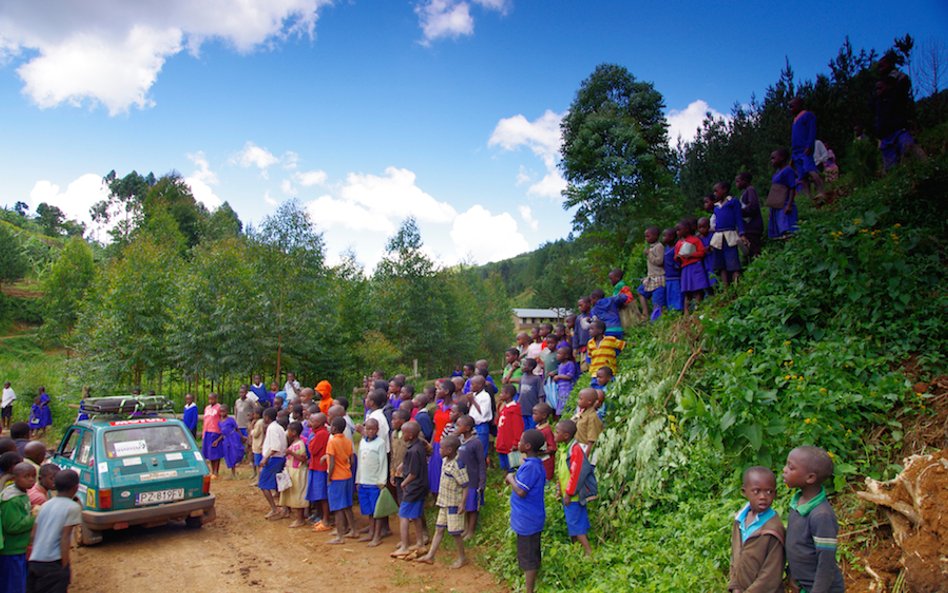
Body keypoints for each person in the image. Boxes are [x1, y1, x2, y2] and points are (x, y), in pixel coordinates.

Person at [783, 446, 844, 593]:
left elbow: (826, 563)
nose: (784, 470)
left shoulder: (821, 516)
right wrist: (792, 575)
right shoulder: (797, 503)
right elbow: (796, 545)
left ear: (810, 478)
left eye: (791, 468)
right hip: (805, 585)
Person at [729, 466, 785, 593]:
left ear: (775, 494)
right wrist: (735, 586)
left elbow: (771, 573)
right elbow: (735, 556)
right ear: (744, 492)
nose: (763, 496)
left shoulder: (773, 529)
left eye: (769, 492)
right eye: (756, 491)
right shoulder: (739, 521)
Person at [417, 435, 469, 568]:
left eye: (441, 448)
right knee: (439, 529)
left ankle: (462, 557)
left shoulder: (458, 466)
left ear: (450, 450)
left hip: (454, 504)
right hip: (444, 502)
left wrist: (463, 503)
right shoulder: (445, 460)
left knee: (455, 532)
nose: (439, 450)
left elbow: (465, 485)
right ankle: (430, 556)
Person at [505, 429, 547, 593]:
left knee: (528, 556)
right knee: (530, 552)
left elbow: (522, 492)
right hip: (528, 517)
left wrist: (510, 478)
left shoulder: (531, 467)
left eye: (521, 440)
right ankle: (532, 582)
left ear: (527, 446)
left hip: (528, 519)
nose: (518, 443)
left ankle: (529, 590)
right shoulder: (532, 463)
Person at [26, 468, 81, 593]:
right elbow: (65, 538)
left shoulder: (45, 505)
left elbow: (33, 535)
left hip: (34, 562)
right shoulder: (73, 507)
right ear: (76, 487)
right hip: (53, 563)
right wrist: (65, 566)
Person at [873, 50, 924, 171]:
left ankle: (931, 170)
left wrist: (891, 84)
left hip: (899, 127)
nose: (880, 69)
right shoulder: (879, 88)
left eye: (882, 65)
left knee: (910, 149)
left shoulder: (899, 80)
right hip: (885, 133)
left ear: (891, 64)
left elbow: (902, 94)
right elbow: (874, 108)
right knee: (891, 169)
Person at [554, 419, 593, 556]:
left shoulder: (575, 450)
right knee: (575, 521)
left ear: (565, 436)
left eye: (557, 432)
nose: (554, 434)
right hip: (568, 493)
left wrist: (569, 493)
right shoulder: (564, 448)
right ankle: (577, 549)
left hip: (573, 495)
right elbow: (563, 471)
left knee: (575, 524)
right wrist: (559, 488)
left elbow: (576, 474)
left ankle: (588, 551)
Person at [392, 421, 428, 559]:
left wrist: (403, 483)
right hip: (420, 486)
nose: (402, 436)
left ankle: (404, 546)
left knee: (404, 515)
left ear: (411, 435)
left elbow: (413, 473)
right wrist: (402, 465)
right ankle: (420, 543)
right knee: (416, 515)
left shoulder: (413, 450)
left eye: (404, 433)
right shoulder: (417, 446)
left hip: (413, 487)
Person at [1, 462, 36, 593]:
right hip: (11, 551)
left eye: (33, 476)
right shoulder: (11, 500)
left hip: (20, 548)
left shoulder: (22, 494)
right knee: (13, 587)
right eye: (26, 476)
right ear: (15, 478)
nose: (31, 479)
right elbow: (12, 526)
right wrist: (34, 517)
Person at [355, 418, 388, 546]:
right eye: (367, 429)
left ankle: (377, 536)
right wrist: (358, 480)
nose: (370, 431)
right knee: (368, 510)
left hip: (375, 483)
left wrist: (382, 481)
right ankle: (371, 532)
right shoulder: (363, 442)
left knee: (377, 511)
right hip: (364, 481)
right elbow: (360, 463)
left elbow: (383, 462)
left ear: (377, 430)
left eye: (372, 429)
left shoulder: (380, 443)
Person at [324, 416, 355, 544]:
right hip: (347, 475)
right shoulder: (347, 441)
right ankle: (354, 529)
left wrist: (329, 477)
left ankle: (340, 536)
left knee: (338, 508)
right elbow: (352, 460)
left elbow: (331, 463)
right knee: (347, 505)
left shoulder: (332, 442)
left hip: (336, 477)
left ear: (334, 428)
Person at [454, 415, 484, 540]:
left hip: (473, 479)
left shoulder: (476, 442)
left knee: (473, 507)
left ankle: (471, 530)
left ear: (467, 428)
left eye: (459, 425)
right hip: (462, 480)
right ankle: (466, 528)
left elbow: (481, 463)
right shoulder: (459, 440)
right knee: (465, 505)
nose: (456, 427)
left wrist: (482, 481)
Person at [710, 181, 746, 287]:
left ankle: (736, 286)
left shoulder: (733, 202)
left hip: (730, 235)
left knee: (733, 262)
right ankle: (726, 289)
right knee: (721, 265)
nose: (715, 194)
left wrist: (742, 233)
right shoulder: (716, 207)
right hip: (718, 237)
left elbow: (739, 219)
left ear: (725, 190)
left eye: (717, 191)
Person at [790, 97, 824, 197]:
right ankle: (808, 196)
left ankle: (821, 191)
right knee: (802, 175)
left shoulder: (808, 115)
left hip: (804, 149)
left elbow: (812, 132)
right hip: (796, 151)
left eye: (792, 106)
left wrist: (809, 145)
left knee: (810, 169)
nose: (790, 109)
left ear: (799, 105)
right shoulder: (795, 120)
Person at [258, 407, 287, 520]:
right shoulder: (278, 427)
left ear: (266, 417)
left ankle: (275, 509)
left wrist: (265, 458)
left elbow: (275, 447)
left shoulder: (272, 428)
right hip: (279, 458)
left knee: (263, 484)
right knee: (279, 484)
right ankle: (284, 508)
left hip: (274, 458)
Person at [675, 219, 709, 314]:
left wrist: (691, 255)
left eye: (679, 230)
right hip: (685, 268)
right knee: (687, 291)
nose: (678, 232)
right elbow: (676, 256)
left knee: (698, 288)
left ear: (686, 229)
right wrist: (678, 258)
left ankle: (698, 309)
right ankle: (686, 312)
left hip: (695, 266)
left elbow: (701, 252)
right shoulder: (678, 244)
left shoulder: (695, 240)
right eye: (676, 230)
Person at [279, 422, 309, 528]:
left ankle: (300, 519)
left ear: (294, 432)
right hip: (293, 470)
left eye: (289, 430)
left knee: (298, 494)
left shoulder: (299, 444)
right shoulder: (294, 443)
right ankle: (298, 518)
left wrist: (291, 453)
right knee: (294, 493)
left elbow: (303, 459)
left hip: (298, 472)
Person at [637, 227, 666, 322]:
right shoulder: (651, 247)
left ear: (655, 236)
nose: (646, 238)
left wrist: (649, 254)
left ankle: (656, 321)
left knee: (657, 302)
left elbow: (659, 261)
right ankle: (645, 314)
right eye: (645, 236)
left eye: (648, 236)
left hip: (659, 278)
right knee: (640, 291)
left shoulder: (659, 247)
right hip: (651, 277)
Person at [768, 149, 798, 239]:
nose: (772, 161)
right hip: (777, 205)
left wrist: (789, 205)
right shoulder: (777, 172)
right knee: (780, 231)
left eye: (773, 158)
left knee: (787, 229)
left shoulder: (788, 170)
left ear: (782, 158)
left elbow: (792, 187)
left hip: (785, 204)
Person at [586, 320, 625, 386]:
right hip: (595, 373)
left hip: (609, 372)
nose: (589, 331)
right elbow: (590, 357)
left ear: (600, 331)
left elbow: (623, 345)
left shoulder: (610, 340)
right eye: (589, 329)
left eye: (592, 329)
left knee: (609, 389)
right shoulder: (590, 343)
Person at [495, 385, 524, 472]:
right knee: (503, 466)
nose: (500, 395)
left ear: (508, 395)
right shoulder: (504, 408)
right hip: (502, 443)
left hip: (510, 445)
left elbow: (518, 428)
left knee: (512, 467)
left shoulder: (514, 411)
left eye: (502, 393)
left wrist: (516, 443)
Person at [735, 173, 763, 260]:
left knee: (754, 248)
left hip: (753, 226)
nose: (736, 184)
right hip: (749, 226)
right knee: (750, 248)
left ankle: (758, 265)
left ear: (745, 181)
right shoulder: (746, 192)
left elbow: (753, 206)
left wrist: (739, 212)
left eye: (738, 181)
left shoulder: (750, 190)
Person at [466, 376, 493, 460]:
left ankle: (481, 470)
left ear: (480, 385)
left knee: (481, 451)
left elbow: (483, 413)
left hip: (481, 426)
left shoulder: (485, 396)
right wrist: (470, 401)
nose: (470, 387)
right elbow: (469, 408)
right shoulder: (474, 394)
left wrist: (473, 400)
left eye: (472, 385)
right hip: (473, 426)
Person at [217, 405, 244, 478]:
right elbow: (222, 433)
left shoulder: (231, 420)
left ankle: (235, 469)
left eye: (224, 411)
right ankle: (232, 472)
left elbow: (237, 429)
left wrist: (241, 437)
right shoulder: (219, 422)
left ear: (227, 411)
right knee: (228, 454)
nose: (222, 413)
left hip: (233, 438)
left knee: (235, 453)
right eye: (221, 411)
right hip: (226, 440)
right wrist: (217, 441)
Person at [572, 389, 603, 453]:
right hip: (577, 447)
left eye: (580, 399)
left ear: (589, 402)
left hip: (585, 449)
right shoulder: (582, 413)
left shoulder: (592, 417)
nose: (578, 401)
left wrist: (586, 457)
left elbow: (592, 441)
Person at [201, 393, 223, 479]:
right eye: (209, 399)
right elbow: (205, 421)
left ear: (216, 399)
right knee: (209, 453)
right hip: (207, 432)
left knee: (215, 453)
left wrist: (221, 432)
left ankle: (216, 471)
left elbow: (221, 419)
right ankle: (211, 470)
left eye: (212, 399)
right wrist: (203, 433)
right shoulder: (207, 408)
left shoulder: (219, 408)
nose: (211, 401)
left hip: (215, 432)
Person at [517, 358, 543, 430]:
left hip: (533, 409)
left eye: (525, 365)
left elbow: (540, 394)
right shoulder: (522, 378)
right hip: (523, 409)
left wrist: (540, 407)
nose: (522, 367)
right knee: (523, 428)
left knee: (532, 428)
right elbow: (519, 393)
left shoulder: (536, 379)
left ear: (531, 367)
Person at [532, 403, 556, 481]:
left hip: (546, 461)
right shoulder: (538, 428)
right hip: (539, 460)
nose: (533, 415)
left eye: (535, 413)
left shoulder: (547, 431)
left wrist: (541, 452)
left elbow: (553, 448)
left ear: (544, 415)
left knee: (545, 479)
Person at [662, 228, 683, 311]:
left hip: (676, 276)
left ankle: (678, 310)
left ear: (671, 237)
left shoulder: (675, 248)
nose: (663, 238)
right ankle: (671, 310)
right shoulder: (665, 248)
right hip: (668, 277)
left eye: (664, 236)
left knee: (676, 294)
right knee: (670, 295)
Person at [572, 297, 592, 366]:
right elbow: (576, 333)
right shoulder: (579, 318)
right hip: (583, 347)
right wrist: (575, 348)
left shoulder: (594, 315)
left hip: (592, 345)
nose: (579, 308)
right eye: (578, 306)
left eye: (581, 305)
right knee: (584, 366)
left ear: (589, 304)